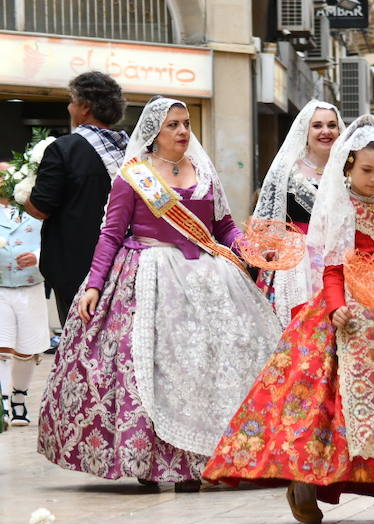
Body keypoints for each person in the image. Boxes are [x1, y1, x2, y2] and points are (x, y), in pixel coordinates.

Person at [203, 116, 374, 524]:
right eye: (367, 170)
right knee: (320, 405)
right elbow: (331, 266)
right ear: (348, 165)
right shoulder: (339, 204)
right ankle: (304, 486)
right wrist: (334, 306)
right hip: (347, 310)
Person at [36, 97, 282, 490]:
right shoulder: (134, 176)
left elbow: (224, 230)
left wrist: (250, 250)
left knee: (204, 368)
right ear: (154, 133)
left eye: (186, 124)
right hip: (148, 275)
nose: (183, 131)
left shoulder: (203, 173)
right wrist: (95, 284)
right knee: (148, 369)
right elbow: (111, 234)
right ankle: (149, 460)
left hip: (206, 278)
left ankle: (203, 461)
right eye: (174, 125)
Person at [24, 71, 129, 325]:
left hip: (74, 266)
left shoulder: (64, 149)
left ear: (85, 108)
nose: (69, 106)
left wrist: (23, 193)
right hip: (124, 264)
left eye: (72, 100)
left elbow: (41, 208)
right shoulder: (129, 149)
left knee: (79, 344)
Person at [250, 100, 342, 325]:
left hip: (338, 256)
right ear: (306, 130)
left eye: (331, 125)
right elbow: (268, 219)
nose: (325, 131)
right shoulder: (287, 171)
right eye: (318, 125)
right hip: (296, 263)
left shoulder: (348, 172)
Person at [0, 171, 44, 428]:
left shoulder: (39, 209)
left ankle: (19, 397)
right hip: (1, 286)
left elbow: (55, 239)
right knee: (2, 347)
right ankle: (3, 403)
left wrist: (38, 256)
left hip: (31, 286)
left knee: (27, 350)